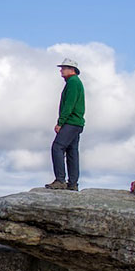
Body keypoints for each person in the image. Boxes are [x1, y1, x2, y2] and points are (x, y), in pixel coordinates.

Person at [46, 58, 84, 191]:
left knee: (57, 147)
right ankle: (73, 183)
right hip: (77, 123)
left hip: (70, 122)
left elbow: (69, 104)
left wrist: (60, 122)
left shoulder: (73, 82)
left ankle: (60, 180)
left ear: (71, 70)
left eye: (64, 68)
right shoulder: (76, 82)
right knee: (72, 151)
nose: (61, 70)